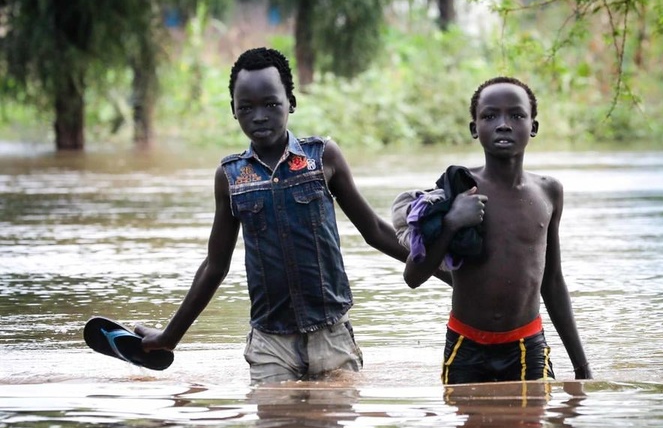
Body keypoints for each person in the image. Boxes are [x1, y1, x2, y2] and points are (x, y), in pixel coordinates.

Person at [135, 47, 445, 384]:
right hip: (270, 343)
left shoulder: (322, 157)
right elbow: (215, 266)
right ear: (233, 111)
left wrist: (450, 277)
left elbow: (374, 231)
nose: (259, 116)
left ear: (291, 103)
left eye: (271, 104)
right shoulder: (231, 177)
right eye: (246, 108)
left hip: (332, 334)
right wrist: (169, 337)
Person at [404, 76, 592, 384]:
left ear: (533, 127)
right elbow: (413, 276)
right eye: (490, 116)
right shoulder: (457, 188)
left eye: (516, 115)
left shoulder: (549, 192)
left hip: (526, 345)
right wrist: (451, 222)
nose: (503, 124)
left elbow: (553, 282)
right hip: (465, 346)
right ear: (474, 128)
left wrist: (581, 365)